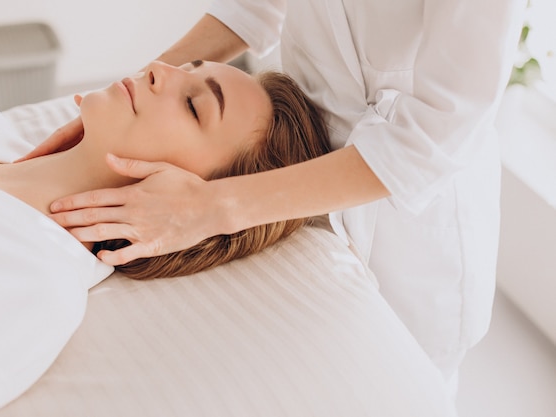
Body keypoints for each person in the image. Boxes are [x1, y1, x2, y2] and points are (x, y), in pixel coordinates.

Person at [26, 0, 528, 396]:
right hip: (289, 141)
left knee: (402, 379)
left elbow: (433, 139)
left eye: (195, 106)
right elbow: (255, 7)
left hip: (406, 210)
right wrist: (131, 95)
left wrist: (212, 207)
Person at [0, 60, 330, 416]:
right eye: (187, 68)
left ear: (192, 197)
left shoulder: (26, 287)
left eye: (194, 106)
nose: (158, 67)